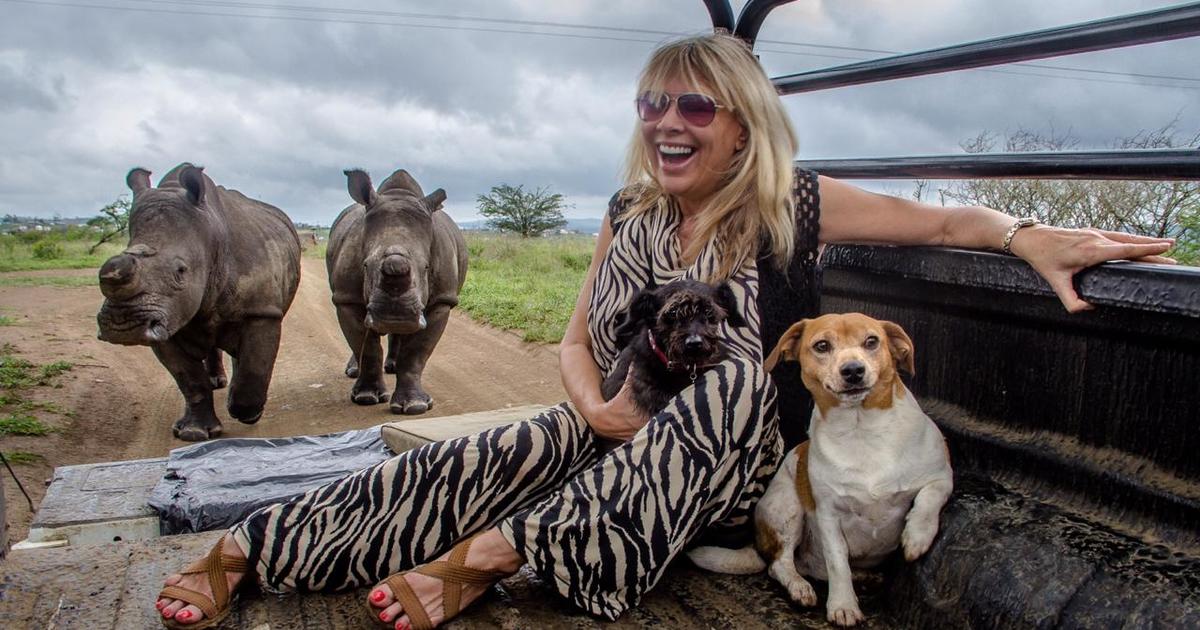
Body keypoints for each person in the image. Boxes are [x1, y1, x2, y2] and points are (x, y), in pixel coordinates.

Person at [153, 32, 1175, 630]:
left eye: (694, 105)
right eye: (653, 103)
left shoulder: (793, 205)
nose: (667, 122)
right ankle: (260, 546)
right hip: (623, 432)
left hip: (727, 469)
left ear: (741, 124)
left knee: (729, 380)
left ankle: (495, 557)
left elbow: (947, 224)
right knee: (503, 446)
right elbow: (573, 341)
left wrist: (1032, 237)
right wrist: (593, 407)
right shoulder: (626, 211)